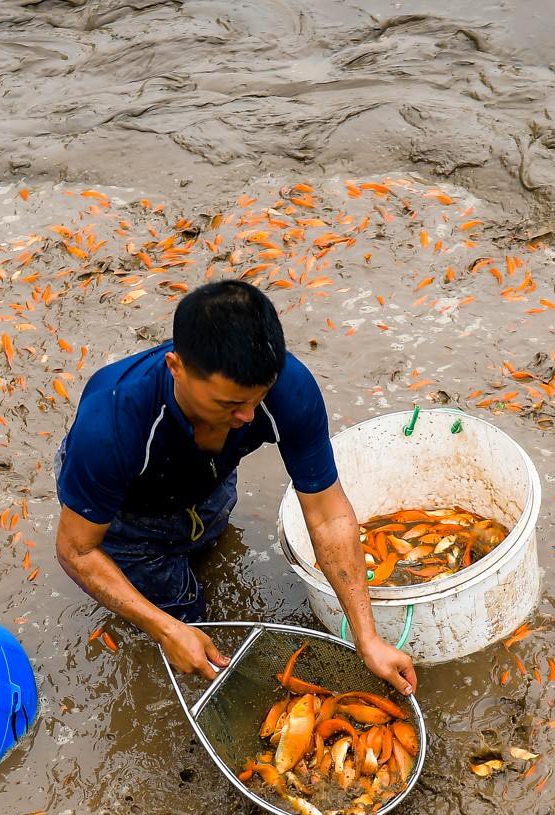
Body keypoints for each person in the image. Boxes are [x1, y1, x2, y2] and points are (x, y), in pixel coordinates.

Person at [54, 280, 417, 695]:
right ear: (177, 368)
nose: (247, 416)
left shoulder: (288, 390)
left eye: (256, 398)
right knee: (186, 617)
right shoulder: (112, 422)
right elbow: (75, 549)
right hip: (127, 515)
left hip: (207, 483)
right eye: (227, 405)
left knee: (210, 538)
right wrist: (165, 628)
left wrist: (366, 637)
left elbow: (327, 513)